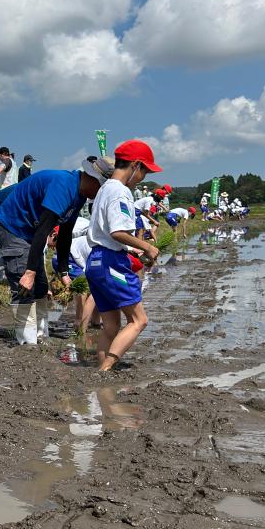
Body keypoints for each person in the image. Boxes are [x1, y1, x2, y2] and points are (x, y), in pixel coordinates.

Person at [0, 157, 110, 344]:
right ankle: (26, 342)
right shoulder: (64, 185)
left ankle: (41, 336)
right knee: (24, 285)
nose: (99, 193)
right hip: (12, 228)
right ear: (92, 178)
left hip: (31, 234)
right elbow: (44, 229)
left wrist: (63, 272)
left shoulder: (79, 195)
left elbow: (65, 234)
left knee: (41, 286)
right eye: (100, 188)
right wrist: (29, 272)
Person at [85, 140, 161, 372]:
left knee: (110, 325)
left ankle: (102, 368)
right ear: (136, 165)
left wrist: (133, 248)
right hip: (111, 263)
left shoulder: (104, 188)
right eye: (145, 171)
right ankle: (104, 371)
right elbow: (117, 232)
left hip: (95, 261)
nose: (144, 177)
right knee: (139, 320)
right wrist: (147, 247)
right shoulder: (120, 191)